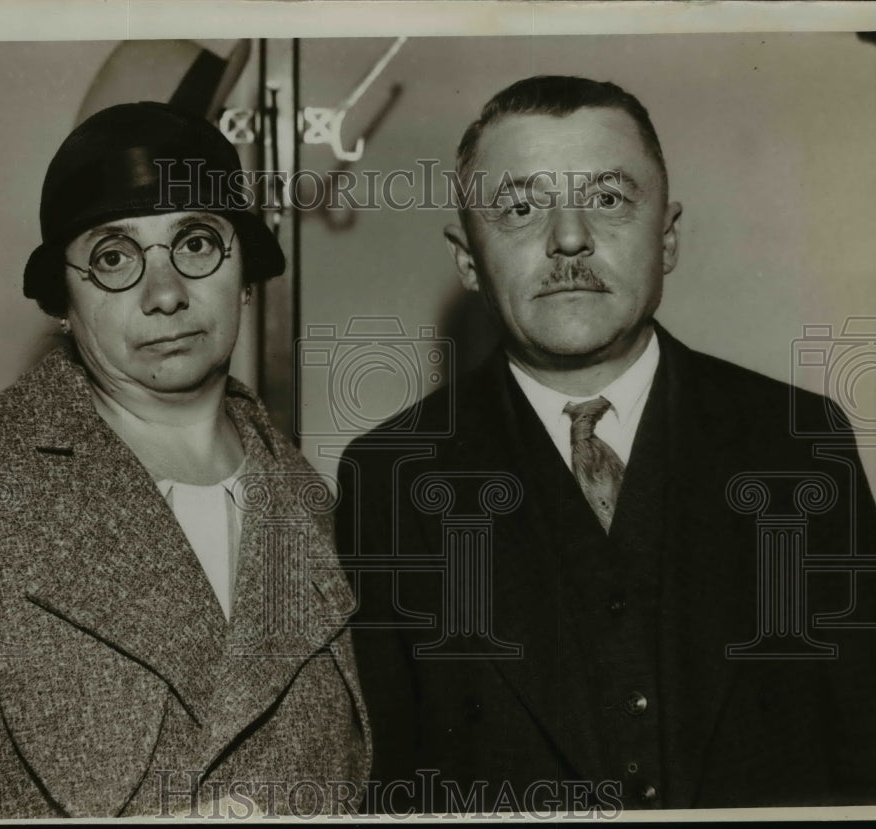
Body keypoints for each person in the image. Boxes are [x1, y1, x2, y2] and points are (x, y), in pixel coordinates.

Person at [337, 75, 876, 813]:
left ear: (669, 235)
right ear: (467, 258)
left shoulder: (799, 443)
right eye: (521, 208)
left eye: (608, 199)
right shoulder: (388, 480)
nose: (567, 239)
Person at [0, 101, 370, 819]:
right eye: (114, 257)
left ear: (244, 272)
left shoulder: (309, 498)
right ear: (63, 299)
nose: (165, 295)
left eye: (194, 244)